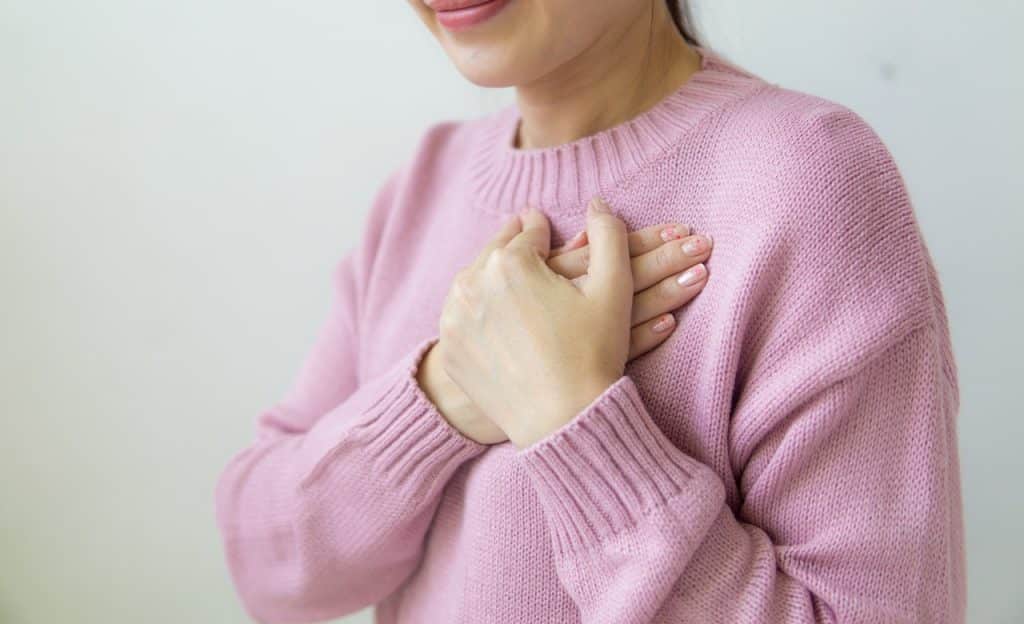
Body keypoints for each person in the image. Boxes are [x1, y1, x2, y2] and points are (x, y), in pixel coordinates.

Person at [214, 1, 966, 622]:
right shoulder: (423, 185)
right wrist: (445, 394)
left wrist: (574, 422)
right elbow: (269, 567)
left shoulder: (808, 181)